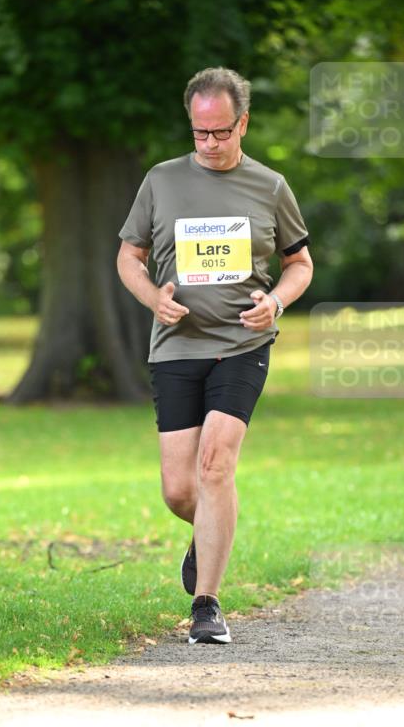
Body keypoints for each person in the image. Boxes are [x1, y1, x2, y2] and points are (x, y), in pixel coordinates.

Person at [117, 67, 313, 645]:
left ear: (242, 123)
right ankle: (208, 532)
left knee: (215, 467)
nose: (209, 144)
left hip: (242, 345)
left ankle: (207, 604)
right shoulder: (161, 180)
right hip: (176, 346)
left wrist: (274, 303)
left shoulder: (270, 187)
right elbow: (128, 257)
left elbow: (300, 264)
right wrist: (154, 297)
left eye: (221, 133)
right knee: (181, 490)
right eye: (200, 133)